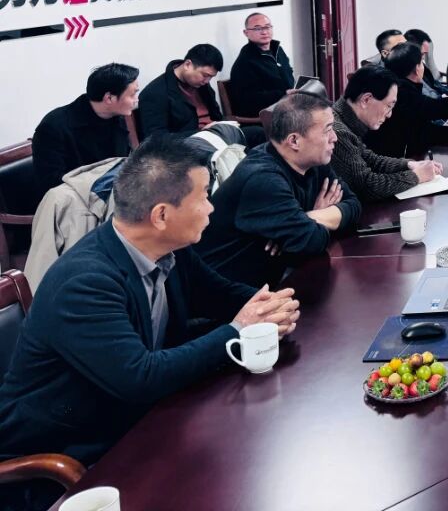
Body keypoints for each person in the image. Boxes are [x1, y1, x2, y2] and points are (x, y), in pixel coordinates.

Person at [0, 135, 299, 496]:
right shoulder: (85, 283)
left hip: (136, 420)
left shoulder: (168, 247)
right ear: (161, 215)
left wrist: (272, 306)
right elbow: (141, 377)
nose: (211, 208)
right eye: (204, 197)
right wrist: (240, 330)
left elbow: (218, 294)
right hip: (66, 458)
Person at [194, 92, 361, 288]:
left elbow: (354, 206)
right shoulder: (263, 179)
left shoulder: (313, 162)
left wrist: (306, 217)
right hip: (228, 295)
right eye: (328, 130)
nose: (335, 138)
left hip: (274, 281)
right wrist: (312, 224)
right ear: (294, 141)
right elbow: (312, 242)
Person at [331, 66, 442, 202]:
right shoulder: (338, 132)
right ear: (366, 100)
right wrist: (417, 176)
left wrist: (409, 165)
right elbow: (367, 186)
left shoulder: (347, 120)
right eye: (389, 106)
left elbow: (371, 160)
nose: (389, 115)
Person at [32, 63, 138, 201]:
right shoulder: (53, 127)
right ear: (109, 98)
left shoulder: (116, 116)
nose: (136, 100)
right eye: (133, 94)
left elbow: (121, 162)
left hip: (111, 195)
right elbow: (52, 185)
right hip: (74, 202)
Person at [137, 44, 225, 139]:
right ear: (187, 65)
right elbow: (155, 138)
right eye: (205, 75)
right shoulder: (154, 93)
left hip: (215, 137)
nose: (207, 81)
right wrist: (201, 133)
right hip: (189, 144)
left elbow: (217, 116)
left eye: (211, 77)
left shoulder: (201, 85)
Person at [227, 12, 294, 116]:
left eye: (267, 27)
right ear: (246, 33)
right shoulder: (245, 61)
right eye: (257, 28)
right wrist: (283, 95)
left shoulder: (278, 50)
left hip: (289, 105)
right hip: (267, 113)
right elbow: (247, 99)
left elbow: (289, 76)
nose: (264, 32)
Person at [404, 28, 448, 97]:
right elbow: (428, 96)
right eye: (422, 54)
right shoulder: (410, 73)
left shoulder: (421, 65)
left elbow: (434, 83)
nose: (423, 58)